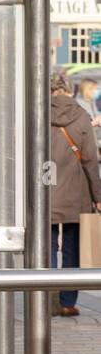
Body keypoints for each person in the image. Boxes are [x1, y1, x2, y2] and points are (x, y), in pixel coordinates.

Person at [49, 73, 101, 316]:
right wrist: (97, 195)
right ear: (70, 90)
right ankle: (67, 302)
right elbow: (90, 160)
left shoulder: (38, 114)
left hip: (45, 190)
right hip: (76, 192)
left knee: (45, 247)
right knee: (71, 247)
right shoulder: (81, 116)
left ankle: (44, 301)